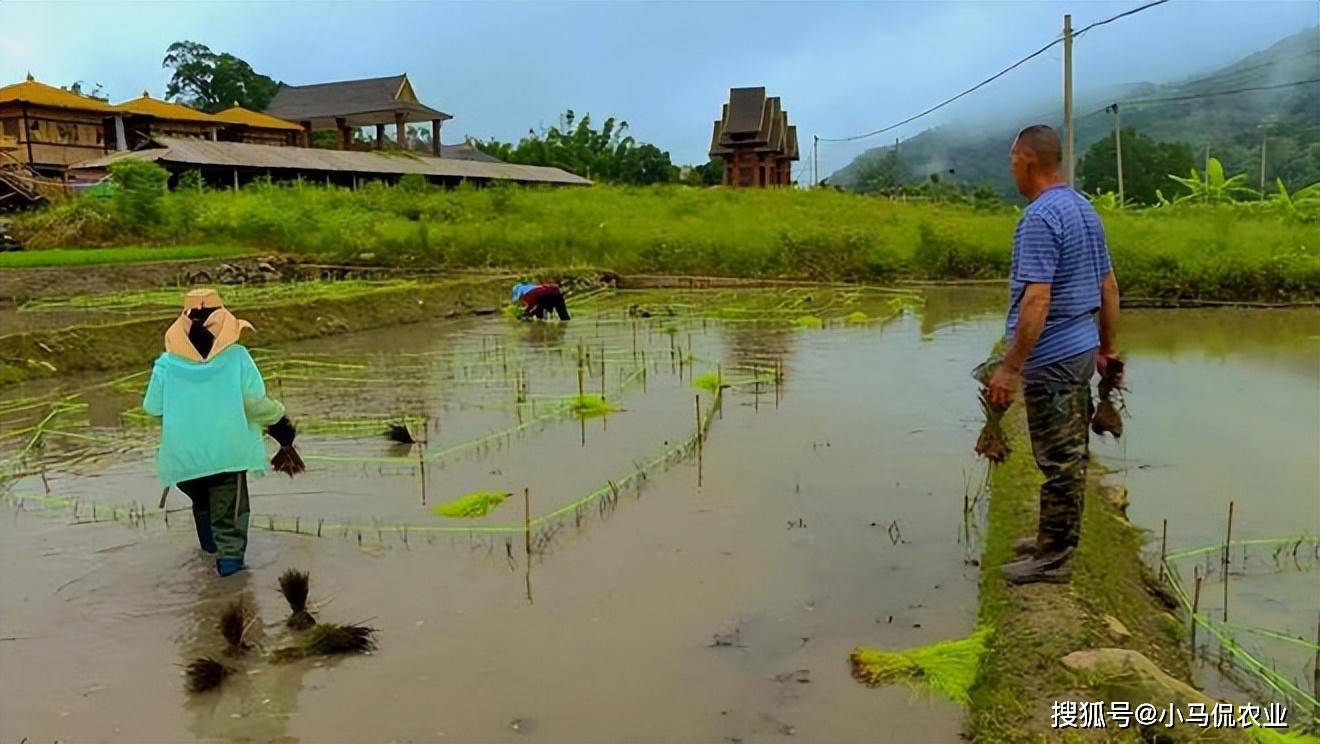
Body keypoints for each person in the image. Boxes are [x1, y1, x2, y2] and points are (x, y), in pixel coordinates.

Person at [987, 125, 1121, 585]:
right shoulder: (1083, 210)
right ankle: (1051, 542)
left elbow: (1036, 300)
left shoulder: (1041, 219)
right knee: (1067, 453)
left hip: (1055, 356)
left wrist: (1010, 366)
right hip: (1081, 348)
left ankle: (1054, 560)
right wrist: (1107, 346)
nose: (1012, 170)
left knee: (1060, 460)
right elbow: (1108, 287)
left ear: (1027, 161)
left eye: (1012, 161)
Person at [142, 288, 296, 577]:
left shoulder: (166, 364)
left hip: (184, 460)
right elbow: (254, 403)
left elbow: (152, 407)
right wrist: (279, 419)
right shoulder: (237, 357)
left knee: (203, 507)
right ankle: (230, 585)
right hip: (227, 455)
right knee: (230, 521)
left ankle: (208, 573)